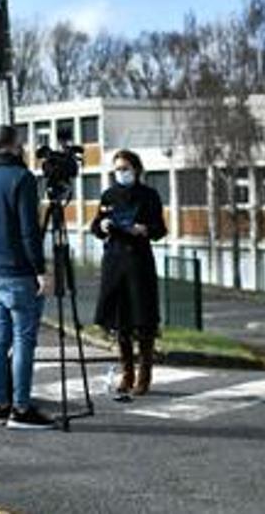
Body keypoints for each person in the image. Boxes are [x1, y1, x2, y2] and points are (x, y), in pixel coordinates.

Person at [0, 125, 55, 430]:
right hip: (20, 272)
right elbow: (28, 231)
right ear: (14, 145)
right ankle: (21, 409)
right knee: (23, 340)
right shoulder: (22, 179)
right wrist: (40, 271)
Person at [90, 149, 167, 396]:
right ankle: (127, 374)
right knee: (120, 322)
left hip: (138, 261)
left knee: (143, 321)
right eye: (117, 169)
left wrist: (145, 229)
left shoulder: (149, 195)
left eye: (125, 168)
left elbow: (160, 229)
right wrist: (101, 226)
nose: (121, 173)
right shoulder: (109, 194)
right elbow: (95, 225)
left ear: (136, 169)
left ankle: (144, 376)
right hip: (114, 261)